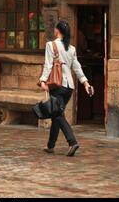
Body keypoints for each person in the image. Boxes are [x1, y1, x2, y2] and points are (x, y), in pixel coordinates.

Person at [39, 21, 94, 157]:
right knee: (57, 114)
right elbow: (77, 67)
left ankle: (72, 142)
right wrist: (85, 83)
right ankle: (50, 146)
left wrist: (42, 80)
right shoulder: (72, 48)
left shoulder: (51, 45)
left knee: (58, 115)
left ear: (57, 31)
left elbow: (48, 65)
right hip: (69, 87)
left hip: (57, 85)